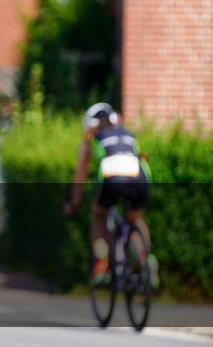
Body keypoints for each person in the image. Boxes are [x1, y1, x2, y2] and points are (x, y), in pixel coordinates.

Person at [63, 102, 157, 287]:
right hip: (140, 179)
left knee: (99, 214)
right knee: (134, 219)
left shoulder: (91, 137)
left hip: (112, 179)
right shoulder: (128, 134)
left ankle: (101, 262)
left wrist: (74, 202)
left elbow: (80, 174)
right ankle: (146, 259)